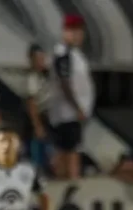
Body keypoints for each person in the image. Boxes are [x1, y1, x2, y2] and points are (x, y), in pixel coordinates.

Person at [49, 14, 93, 179]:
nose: (77, 35)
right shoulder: (63, 54)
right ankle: (70, 182)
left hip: (73, 113)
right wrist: (77, 108)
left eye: (79, 31)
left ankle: (67, 180)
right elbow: (64, 83)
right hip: (67, 113)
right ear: (65, 32)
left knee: (69, 149)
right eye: (72, 31)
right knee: (70, 151)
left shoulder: (76, 54)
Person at [24, 44, 52, 174]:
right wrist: (37, 125)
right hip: (37, 117)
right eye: (38, 59)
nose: (41, 61)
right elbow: (31, 103)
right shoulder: (31, 78)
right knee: (36, 151)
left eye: (43, 58)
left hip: (47, 116)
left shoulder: (45, 76)